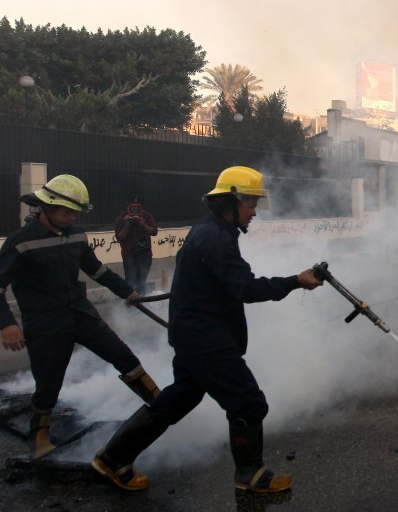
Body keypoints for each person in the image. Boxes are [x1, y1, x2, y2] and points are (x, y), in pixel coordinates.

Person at [92, 166, 323, 493]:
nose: (255, 212)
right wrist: (295, 281)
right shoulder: (214, 237)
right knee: (247, 403)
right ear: (232, 202)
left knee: (179, 399)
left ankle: (112, 458)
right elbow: (246, 289)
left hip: (194, 334)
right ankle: (251, 475)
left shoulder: (215, 231)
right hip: (204, 339)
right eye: (251, 204)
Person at [0, 175, 162, 460]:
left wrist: (128, 292)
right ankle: (38, 438)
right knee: (48, 383)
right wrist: (7, 325)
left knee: (124, 357)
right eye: (66, 211)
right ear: (47, 206)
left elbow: (96, 270)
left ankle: (161, 405)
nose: (71, 217)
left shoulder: (76, 235)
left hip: (81, 314)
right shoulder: (19, 242)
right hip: (45, 324)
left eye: (75, 212)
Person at [114, 196, 158, 295]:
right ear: (127, 208)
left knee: (142, 281)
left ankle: (141, 303)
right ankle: (131, 305)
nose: (135, 210)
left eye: (138, 207)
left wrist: (144, 225)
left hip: (145, 254)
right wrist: (126, 225)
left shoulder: (146, 216)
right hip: (129, 255)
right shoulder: (121, 218)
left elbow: (154, 232)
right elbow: (119, 237)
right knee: (130, 282)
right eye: (132, 208)